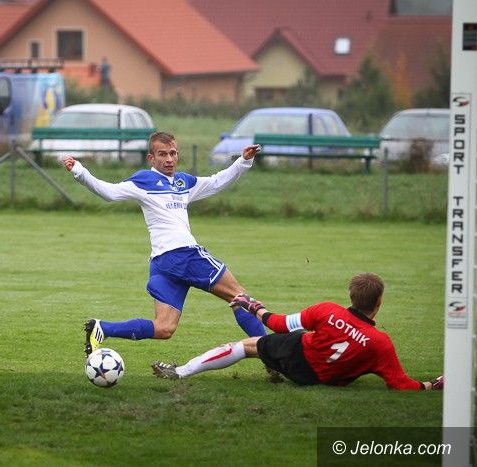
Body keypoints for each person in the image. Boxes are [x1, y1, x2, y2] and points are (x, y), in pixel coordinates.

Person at [63, 131, 267, 358]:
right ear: (151, 158)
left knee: (164, 328)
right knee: (240, 298)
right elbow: (109, 192)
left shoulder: (183, 182)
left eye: (173, 153)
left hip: (162, 263)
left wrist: (243, 161)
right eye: (162, 154)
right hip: (183, 254)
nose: (169, 159)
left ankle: (102, 328)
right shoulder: (143, 180)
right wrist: (79, 171)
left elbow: (216, 182)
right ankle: (272, 355)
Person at [151, 272, 445, 391]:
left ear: (351, 296)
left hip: (296, 355)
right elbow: (400, 384)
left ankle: (182, 372)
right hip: (323, 379)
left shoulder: (328, 311)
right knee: (282, 343)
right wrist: (432, 384)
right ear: (379, 303)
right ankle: (272, 365)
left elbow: (278, 323)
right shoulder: (380, 344)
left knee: (246, 346)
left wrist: (254, 307)